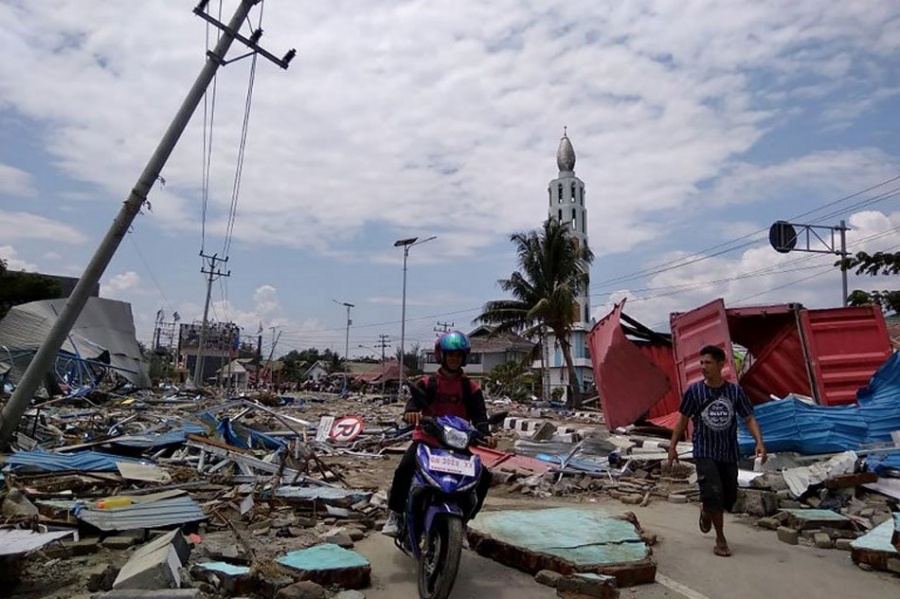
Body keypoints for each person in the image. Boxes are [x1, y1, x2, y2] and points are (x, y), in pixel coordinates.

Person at [382, 330, 495, 537]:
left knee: (484, 477)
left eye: (458, 355)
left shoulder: (471, 388)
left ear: (464, 358)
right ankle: (395, 515)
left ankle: (463, 523)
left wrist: (486, 433)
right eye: (450, 354)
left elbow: (480, 416)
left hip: (457, 446)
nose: (454, 359)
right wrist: (411, 413)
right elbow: (413, 402)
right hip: (427, 441)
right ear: (441, 356)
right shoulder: (428, 383)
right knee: (404, 469)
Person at [667, 344, 767, 558]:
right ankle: (720, 538)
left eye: (708, 363)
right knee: (713, 492)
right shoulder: (694, 391)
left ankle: (706, 510)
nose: (703, 367)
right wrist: (673, 446)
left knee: (729, 497)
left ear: (721, 364)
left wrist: (759, 442)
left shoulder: (734, 392)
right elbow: (683, 420)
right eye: (701, 363)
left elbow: (748, 418)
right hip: (704, 449)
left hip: (728, 451)